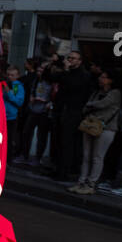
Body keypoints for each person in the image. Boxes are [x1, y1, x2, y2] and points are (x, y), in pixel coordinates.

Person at [44, 48, 94, 182]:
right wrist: (51, 65)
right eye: (69, 58)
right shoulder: (66, 72)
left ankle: (65, 171)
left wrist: (65, 71)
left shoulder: (84, 75)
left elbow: (73, 86)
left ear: (80, 61)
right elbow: (49, 78)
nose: (70, 60)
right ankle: (57, 168)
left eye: (73, 58)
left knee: (68, 142)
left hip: (73, 112)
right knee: (57, 140)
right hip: (60, 111)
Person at [71, 70, 121, 195]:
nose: (100, 79)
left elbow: (103, 104)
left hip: (106, 128)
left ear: (110, 80)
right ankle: (81, 182)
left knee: (97, 157)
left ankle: (91, 183)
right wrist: (91, 105)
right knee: (87, 155)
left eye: (104, 77)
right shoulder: (96, 92)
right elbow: (87, 107)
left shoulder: (115, 93)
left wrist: (90, 104)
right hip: (90, 125)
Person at [21, 59, 54, 166]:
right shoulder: (35, 80)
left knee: (41, 135)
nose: (39, 72)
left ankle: (38, 158)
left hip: (44, 111)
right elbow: (32, 91)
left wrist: (46, 101)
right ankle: (24, 155)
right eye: (38, 70)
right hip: (33, 109)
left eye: (41, 70)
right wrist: (32, 97)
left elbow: (53, 95)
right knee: (26, 132)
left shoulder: (50, 82)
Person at [3, 66, 25, 161]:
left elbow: (18, 101)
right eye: (8, 75)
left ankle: (8, 160)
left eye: (12, 75)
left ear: (17, 76)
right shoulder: (5, 84)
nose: (10, 77)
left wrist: (9, 92)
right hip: (3, 115)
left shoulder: (16, 86)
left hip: (11, 117)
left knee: (9, 140)